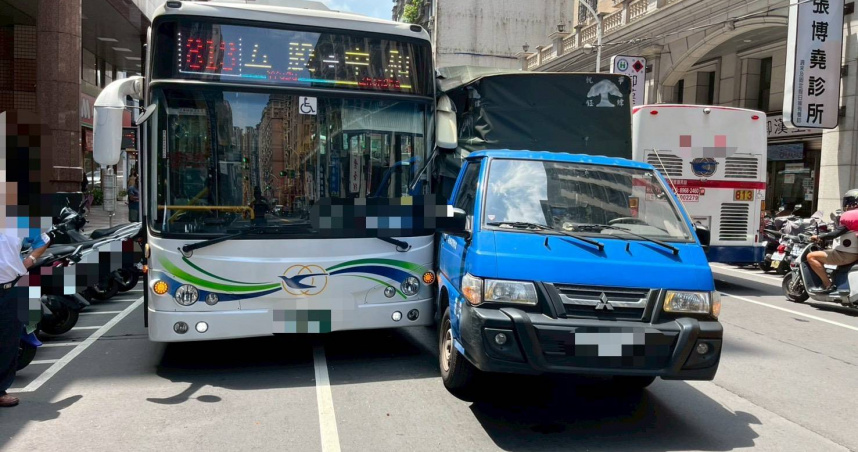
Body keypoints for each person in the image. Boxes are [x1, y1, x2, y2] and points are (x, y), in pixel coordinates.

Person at [0, 212, 50, 407]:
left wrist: (30, 260)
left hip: (10, 289)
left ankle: (1, 390)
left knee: (8, 340)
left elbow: (43, 240)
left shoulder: (18, 222)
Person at [807, 189, 858, 294]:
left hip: (847, 254)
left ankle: (827, 284)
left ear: (854, 203)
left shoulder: (853, 216)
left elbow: (835, 234)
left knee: (811, 257)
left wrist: (819, 236)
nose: (846, 205)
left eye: (848, 201)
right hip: (853, 253)